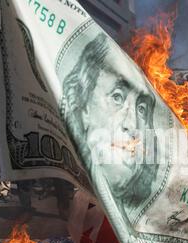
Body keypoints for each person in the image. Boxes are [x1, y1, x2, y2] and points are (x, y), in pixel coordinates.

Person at [60, 32, 159, 225]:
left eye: (141, 108)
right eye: (117, 97)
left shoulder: (152, 209)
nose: (132, 125)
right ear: (84, 106)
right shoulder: (84, 196)